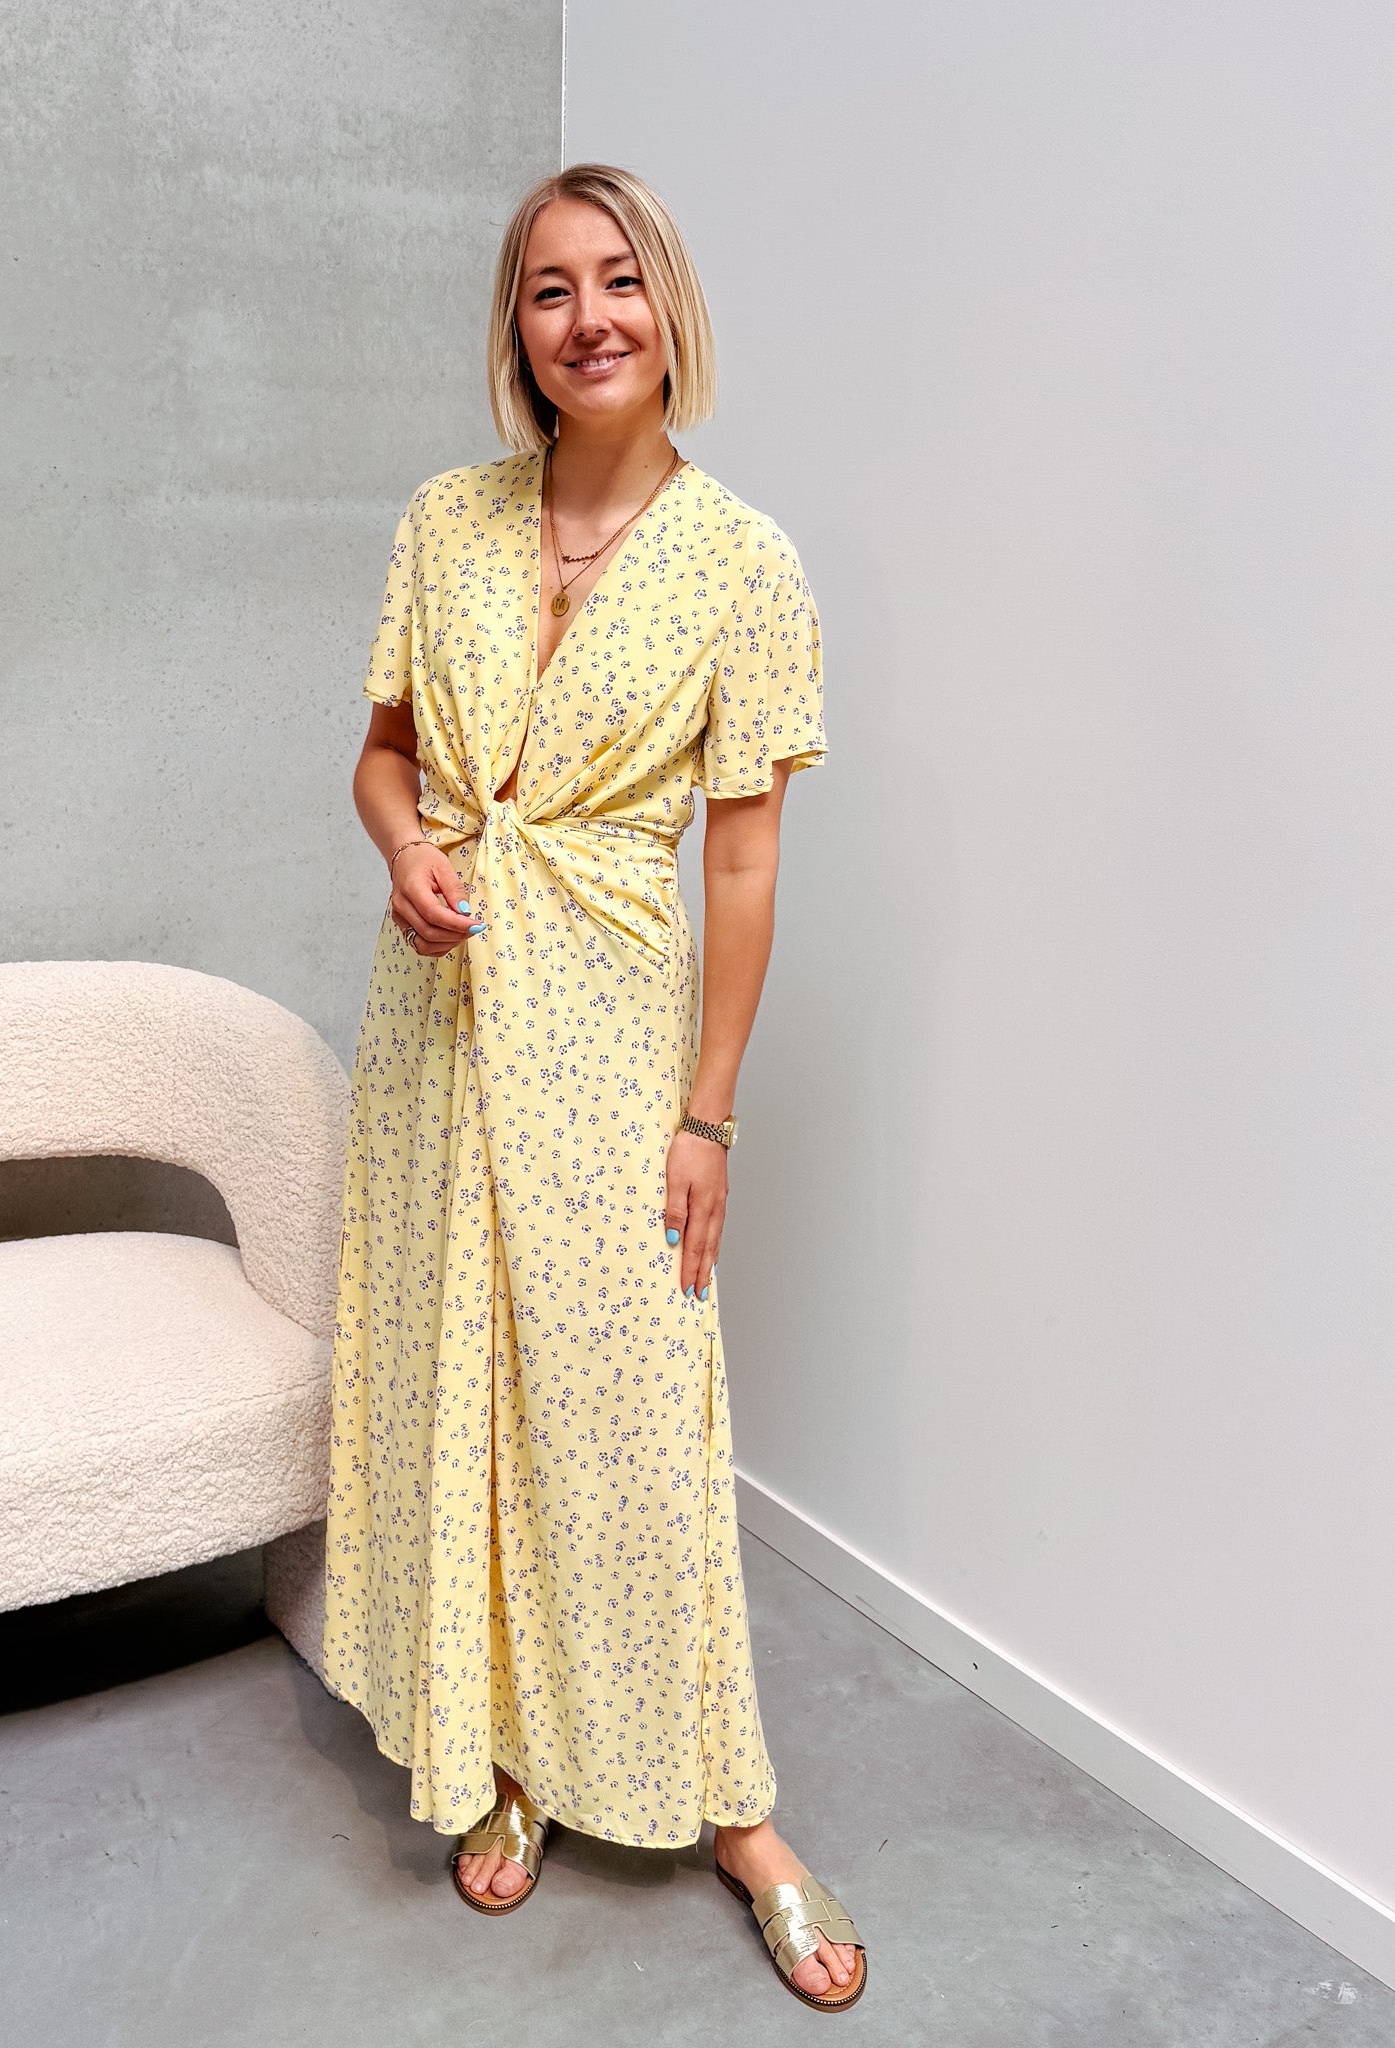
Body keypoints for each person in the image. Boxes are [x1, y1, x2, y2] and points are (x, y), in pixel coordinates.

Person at [319, 163, 867, 2015]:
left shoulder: (743, 562)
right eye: (548, 289)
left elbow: (744, 861)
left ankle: (736, 1816)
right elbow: (382, 757)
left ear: (666, 307)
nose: (586, 318)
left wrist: (708, 1114)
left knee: (634, 1412)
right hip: (440, 1020)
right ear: (518, 330)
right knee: (461, 1377)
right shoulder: (445, 520)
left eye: (617, 279)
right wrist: (406, 847)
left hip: (616, 1032)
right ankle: (502, 1752)